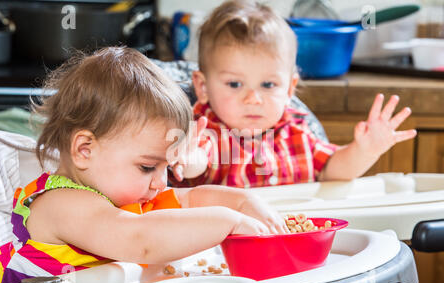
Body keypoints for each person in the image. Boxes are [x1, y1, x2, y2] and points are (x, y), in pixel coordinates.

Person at [0, 47, 289, 283]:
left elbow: (191, 199)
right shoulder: (61, 203)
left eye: (166, 166)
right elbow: (140, 241)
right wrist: (230, 221)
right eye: (148, 167)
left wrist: (241, 202)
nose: (161, 182)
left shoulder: (118, 190)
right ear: (85, 149)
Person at [169, 0, 417, 188]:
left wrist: (365, 150)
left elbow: (332, 170)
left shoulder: (297, 131)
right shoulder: (206, 132)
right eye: (235, 84)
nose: (253, 98)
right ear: (202, 87)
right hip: (223, 254)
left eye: (268, 85)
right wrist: (186, 156)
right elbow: (197, 161)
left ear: (289, 89)